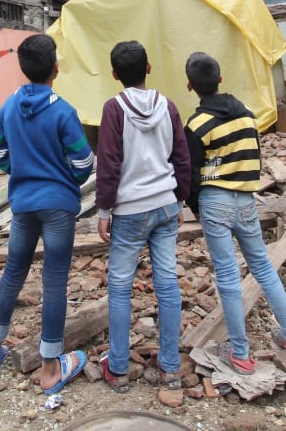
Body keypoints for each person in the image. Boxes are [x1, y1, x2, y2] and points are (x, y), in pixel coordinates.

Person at [183, 52, 286, 374]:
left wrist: (195, 206)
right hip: (245, 200)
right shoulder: (247, 116)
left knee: (227, 275)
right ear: (220, 78)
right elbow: (253, 156)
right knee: (264, 269)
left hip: (214, 202)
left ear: (190, 86)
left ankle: (240, 353)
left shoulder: (196, 125)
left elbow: (191, 174)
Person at [0, 33, 93, 395]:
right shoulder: (63, 110)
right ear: (55, 69)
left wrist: (23, 169)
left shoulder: (9, 107)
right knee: (54, 281)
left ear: (23, 68)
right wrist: (64, 178)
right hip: (58, 206)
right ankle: (49, 369)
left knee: (13, 273)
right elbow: (83, 162)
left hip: (23, 205)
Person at [95, 41, 190, 401]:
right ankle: (169, 367)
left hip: (130, 211)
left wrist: (104, 211)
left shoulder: (113, 109)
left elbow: (109, 164)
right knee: (167, 282)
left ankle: (118, 368)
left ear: (115, 74)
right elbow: (181, 157)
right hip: (165, 206)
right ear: (149, 68)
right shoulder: (168, 105)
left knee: (120, 286)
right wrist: (180, 199)